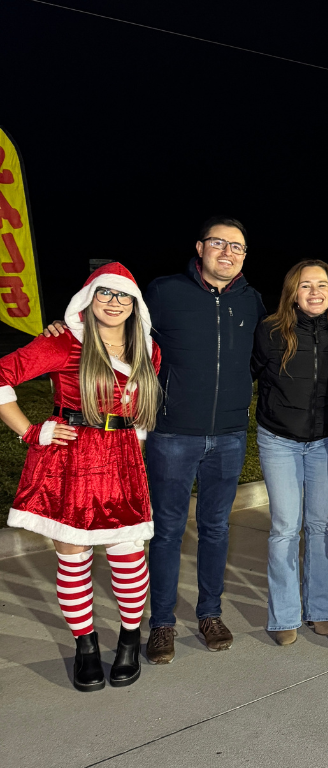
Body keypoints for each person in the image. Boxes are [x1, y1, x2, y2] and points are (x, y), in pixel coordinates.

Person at [0, 263, 161, 691]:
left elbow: (141, 416)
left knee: (128, 559)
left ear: (134, 304)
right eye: (105, 294)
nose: (113, 302)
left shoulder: (149, 350)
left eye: (122, 295)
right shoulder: (64, 344)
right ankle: (85, 645)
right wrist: (33, 431)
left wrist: (136, 458)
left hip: (122, 463)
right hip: (69, 462)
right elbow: (2, 375)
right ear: (88, 300)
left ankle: (129, 640)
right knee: (73, 560)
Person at [144, 217, 266, 663]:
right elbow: (120, 334)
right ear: (200, 247)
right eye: (219, 243)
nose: (228, 252)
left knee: (215, 528)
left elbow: (257, 358)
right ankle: (161, 623)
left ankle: (210, 613)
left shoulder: (251, 301)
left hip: (230, 435)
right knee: (168, 530)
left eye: (237, 247)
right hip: (173, 433)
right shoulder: (164, 292)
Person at [251, 260, 328, 646]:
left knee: (321, 526)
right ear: (293, 291)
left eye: (322, 285)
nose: (314, 292)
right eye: (305, 285)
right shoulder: (269, 331)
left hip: (325, 442)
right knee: (285, 528)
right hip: (279, 440)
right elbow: (248, 374)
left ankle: (321, 609)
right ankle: (284, 614)